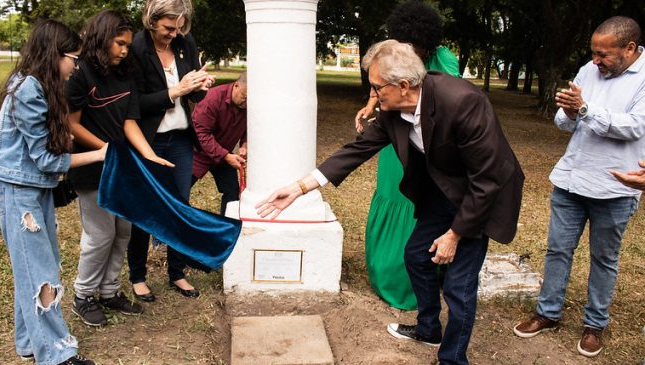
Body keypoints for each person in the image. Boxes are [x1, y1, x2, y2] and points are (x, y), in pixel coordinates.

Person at [257, 40, 524, 365]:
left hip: (482, 196)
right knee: (415, 255)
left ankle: (453, 359)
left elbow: (487, 179)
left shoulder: (463, 101)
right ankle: (428, 329)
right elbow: (355, 151)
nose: (372, 94)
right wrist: (299, 188)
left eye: (375, 86)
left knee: (458, 284)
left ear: (402, 85)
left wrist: (454, 234)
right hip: (443, 191)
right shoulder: (392, 111)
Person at [513, 16, 644, 358]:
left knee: (604, 258)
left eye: (604, 54)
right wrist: (571, 113)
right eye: (593, 53)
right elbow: (564, 122)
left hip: (615, 187)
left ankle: (594, 324)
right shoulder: (588, 70)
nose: (596, 61)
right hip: (571, 180)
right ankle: (548, 312)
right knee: (557, 250)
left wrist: (585, 110)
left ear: (629, 49)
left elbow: (633, 127)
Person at [0, 20, 101, 365]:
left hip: (33, 190)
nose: (75, 67)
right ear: (54, 54)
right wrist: (98, 153)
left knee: (35, 268)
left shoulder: (36, 85)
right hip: (18, 192)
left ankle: (30, 344)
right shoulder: (28, 89)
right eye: (73, 59)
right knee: (39, 273)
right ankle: (56, 355)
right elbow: (47, 160)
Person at [66, 10, 173, 327]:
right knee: (100, 235)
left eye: (127, 45)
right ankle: (83, 296)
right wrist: (104, 149)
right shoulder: (80, 74)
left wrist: (148, 154)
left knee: (123, 232)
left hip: (123, 165)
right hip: (91, 167)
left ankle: (110, 291)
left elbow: (129, 121)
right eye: (119, 43)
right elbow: (71, 125)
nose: (124, 50)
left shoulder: (126, 72)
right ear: (102, 39)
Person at [355, 1, 460, 311]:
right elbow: (381, 81)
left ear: (430, 44)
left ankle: (419, 278)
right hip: (395, 139)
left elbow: (446, 104)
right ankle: (387, 272)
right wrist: (370, 105)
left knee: (420, 204)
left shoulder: (445, 62)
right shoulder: (395, 53)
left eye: (416, 46)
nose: (409, 50)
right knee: (393, 195)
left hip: (427, 144)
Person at [128, 0, 215, 302]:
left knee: (180, 205)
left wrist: (202, 84)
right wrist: (175, 91)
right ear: (152, 21)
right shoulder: (137, 48)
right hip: (148, 140)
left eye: (179, 28)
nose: (173, 34)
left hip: (179, 139)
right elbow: (134, 103)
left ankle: (177, 272)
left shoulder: (184, 42)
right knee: (145, 207)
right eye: (168, 28)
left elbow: (195, 91)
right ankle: (137, 276)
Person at [191, 72, 248, 215]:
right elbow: (201, 134)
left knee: (233, 194)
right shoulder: (211, 99)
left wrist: (245, 144)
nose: (247, 103)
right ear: (236, 85)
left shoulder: (249, 105)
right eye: (245, 97)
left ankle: (227, 227)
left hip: (224, 154)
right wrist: (226, 156)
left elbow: (251, 127)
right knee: (179, 192)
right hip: (197, 153)